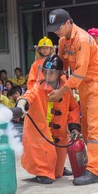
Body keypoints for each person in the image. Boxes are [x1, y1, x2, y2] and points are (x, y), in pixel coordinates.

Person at [46, 8, 98, 185]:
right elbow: (62, 65)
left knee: (95, 130)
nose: (56, 31)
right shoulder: (62, 41)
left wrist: (61, 91)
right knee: (85, 128)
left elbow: (79, 72)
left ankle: (93, 172)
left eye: (59, 27)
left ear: (69, 23)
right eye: (54, 28)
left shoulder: (82, 39)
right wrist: (50, 80)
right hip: (85, 88)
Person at [15, 55, 80, 184]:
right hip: (40, 131)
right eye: (46, 71)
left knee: (57, 169)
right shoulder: (38, 87)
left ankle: (56, 169)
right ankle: (42, 172)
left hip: (59, 133)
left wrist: (74, 126)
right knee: (43, 154)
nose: (48, 75)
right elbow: (28, 95)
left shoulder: (64, 90)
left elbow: (74, 108)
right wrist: (21, 105)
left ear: (59, 74)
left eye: (52, 72)